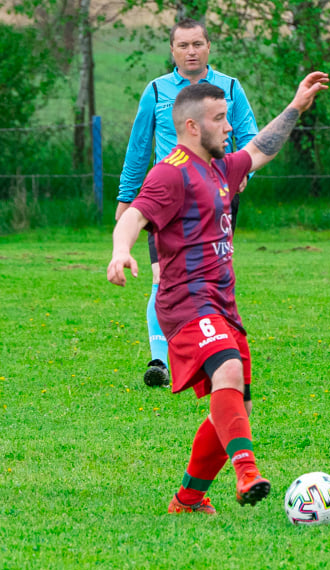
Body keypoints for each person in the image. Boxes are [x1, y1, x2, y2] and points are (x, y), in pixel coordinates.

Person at [107, 72, 329, 513]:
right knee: (226, 371)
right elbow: (134, 215)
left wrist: (296, 107)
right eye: (220, 118)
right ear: (193, 126)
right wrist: (120, 252)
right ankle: (246, 472)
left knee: (233, 407)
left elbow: (259, 149)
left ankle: (188, 499)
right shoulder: (169, 174)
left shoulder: (220, 167)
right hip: (185, 303)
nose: (229, 126)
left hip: (222, 303)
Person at [116, 18, 259, 388]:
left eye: (197, 44)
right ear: (173, 51)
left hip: (216, 194)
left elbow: (249, 136)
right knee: (161, 276)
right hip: (169, 199)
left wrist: (243, 173)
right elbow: (137, 149)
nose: (191, 51)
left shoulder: (229, 87)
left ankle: (212, 347)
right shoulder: (157, 91)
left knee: (211, 275)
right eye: (183, 45)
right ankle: (159, 361)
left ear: (209, 47)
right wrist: (126, 197)